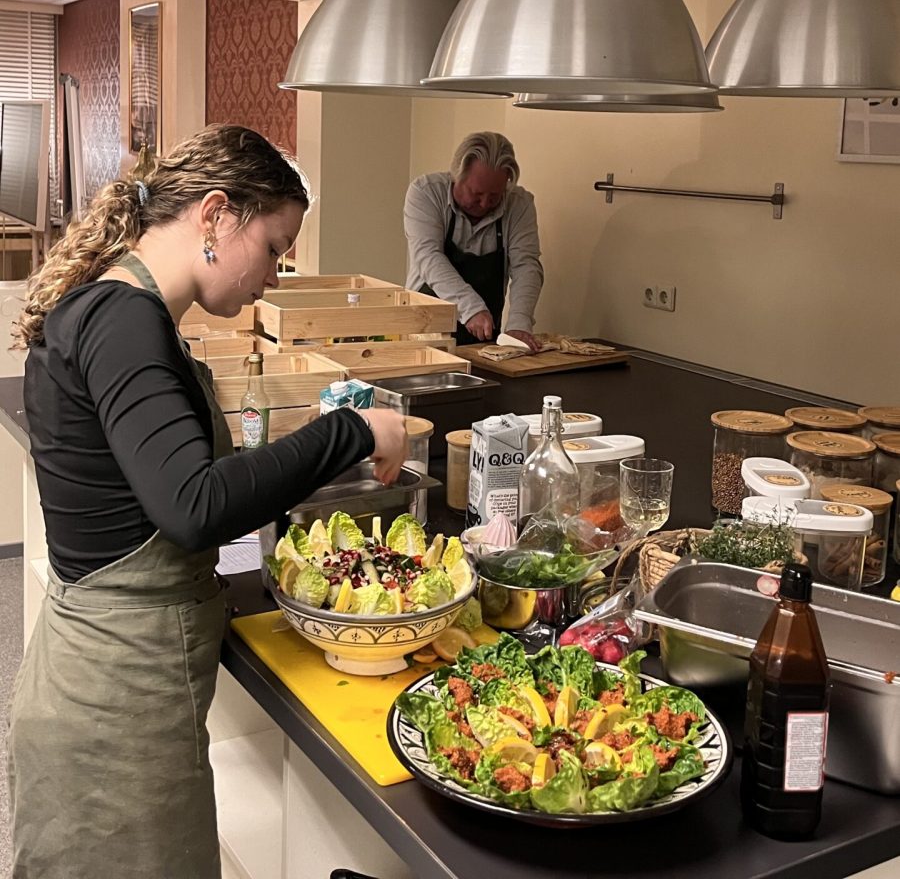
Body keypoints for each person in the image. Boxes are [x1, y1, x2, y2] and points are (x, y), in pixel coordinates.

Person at [6, 124, 407, 879]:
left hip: (107, 691)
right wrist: (351, 429)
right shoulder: (124, 323)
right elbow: (191, 503)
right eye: (276, 248)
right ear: (217, 215)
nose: (276, 276)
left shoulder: (120, 310)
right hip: (112, 715)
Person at [404, 130, 543, 349]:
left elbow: (526, 266)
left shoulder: (519, 204)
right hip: (422, 336)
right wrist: (471, 308)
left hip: (483, 339)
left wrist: (518, 323)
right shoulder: (426, 193)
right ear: (456, 175)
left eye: (495, 195)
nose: (485, 203)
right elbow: (428, 258)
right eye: (476, 194)